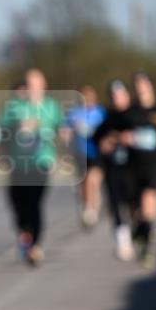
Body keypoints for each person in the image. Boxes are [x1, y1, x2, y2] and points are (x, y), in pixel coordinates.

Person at [0, 68, 63, 266]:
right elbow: (1, 131)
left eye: (36, 84)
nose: (32, 88)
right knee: (17, 203)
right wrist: (16, 129)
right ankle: (24, 233)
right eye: (28, 84)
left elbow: (61, 129)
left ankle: (34, 245)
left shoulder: (52, 107)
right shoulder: (14, 106)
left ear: (44, 85)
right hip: (18, 163)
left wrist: (61, 140)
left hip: (41, 162)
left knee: (35, 203)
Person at [93, 79, 136, 260]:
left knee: (135, 206)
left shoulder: (136, 114)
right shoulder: (107, 118)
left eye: (119, 94)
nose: (116, 98)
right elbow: (97, 140)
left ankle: (138, 232)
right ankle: (123, 242)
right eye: (113, 95)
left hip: (135, 168)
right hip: (113, 168)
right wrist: (104, 143)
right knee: (116, 204)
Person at [63, 85, 105, 228]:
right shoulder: (74, 112)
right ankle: (87, 205)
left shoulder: (100, 112)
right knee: (83, 182)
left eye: (89, 95)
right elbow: (65, 128)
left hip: (96, 153)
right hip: (80, 152)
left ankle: (92, 207)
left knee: (92, 179)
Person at [129, 71, 156, 265]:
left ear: (150, 86)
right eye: (137, 84)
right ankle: (140, 229)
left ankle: (148, 245)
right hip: (131, 166)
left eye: (143, 83)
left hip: (152, 163)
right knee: (134, 208)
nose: (140, 88)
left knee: (148, 198)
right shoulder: (129, 112)